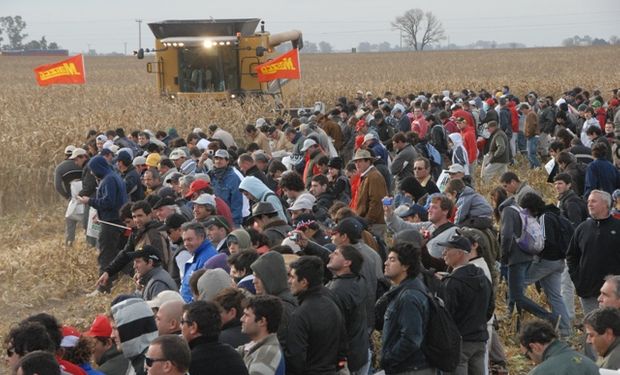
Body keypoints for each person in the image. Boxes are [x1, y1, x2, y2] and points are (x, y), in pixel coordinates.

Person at [438, 235, 494, 375]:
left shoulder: (452, 282)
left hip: (460, 344)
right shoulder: (481, 276)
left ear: (459, 253)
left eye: (447, 249)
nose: (443, 253)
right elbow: (490, 309)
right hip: (480, 340)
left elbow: (446, 317)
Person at [377, 242, 435, 375]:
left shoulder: (409, 297)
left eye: (392, 260)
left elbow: (411, 339)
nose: (386, 263)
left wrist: (388, 358)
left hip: (411, 368)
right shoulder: (405, 289)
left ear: (405, 266)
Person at [285, 256, 345, 375]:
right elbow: (342, 346)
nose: (289, 281)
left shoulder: (300, 314)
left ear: (304, 282)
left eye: (292, 277)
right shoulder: (332, 305)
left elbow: (295, 358)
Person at [78, 155, 128, 293]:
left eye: (93, 170)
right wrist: (99, 214)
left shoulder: (108, 180)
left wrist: (90, 201)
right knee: (116, 253)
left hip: (110, 223)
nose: (92, 173)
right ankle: (114, 283)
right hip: (114, 220)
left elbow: (108, 202)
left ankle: (103, 288)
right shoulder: (115, 176)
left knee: (106, 256)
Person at [567, 190, 620, 314]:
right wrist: (577, 280)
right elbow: (571, 256)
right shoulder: (582, 228)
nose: (589, 204)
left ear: (606, 204)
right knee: (595, 327)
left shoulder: (618, 227)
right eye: (589, 201)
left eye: (594, 201)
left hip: (614, 294)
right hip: (588, 291)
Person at [326, 245, 369, 375]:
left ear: (347, 263)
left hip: (345, 361)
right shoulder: (359, 280)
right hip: (360, 354)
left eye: (336, 253)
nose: (330, 255)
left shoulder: (337, 291)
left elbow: (335, 331)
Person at [181, 300, 249, 375]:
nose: (180, 326)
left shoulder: (189, 363)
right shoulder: (233, 354)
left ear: (193, 327)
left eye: (182, 322)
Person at [251, 251, 298, 350]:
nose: (253, 281)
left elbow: (279, 347)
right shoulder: (281, 301)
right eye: (253, 276)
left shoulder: (283, 308)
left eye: (258, 276)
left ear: (270, 278)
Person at [518, 319, 599, 375]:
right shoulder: (590, 364)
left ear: (535, 347)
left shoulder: (540, 372)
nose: (531, 361)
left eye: (527, 356)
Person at [237, 295, 286, 375]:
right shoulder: (254, 347)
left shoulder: (266, 355)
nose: (241, 319)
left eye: (246, 315)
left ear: (262, 321)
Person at [110, 297, 159, 375]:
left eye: (115, 329)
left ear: (132, 328)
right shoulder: (138, 361)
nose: (112, 335)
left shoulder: (151, 366)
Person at [352, 149, 388, 237]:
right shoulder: (368, 176)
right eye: (356, 161)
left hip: (376, 225)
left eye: (360, 161)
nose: (357, 164)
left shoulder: (374, 176)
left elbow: (376, 202)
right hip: (372, 223)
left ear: (368, 161)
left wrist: (367, 221)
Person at [180, 222, 218, 302]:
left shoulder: (209, 258)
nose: (186, 244)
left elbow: (204, 291)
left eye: (189, 239)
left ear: (201, 237)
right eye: (184, 240)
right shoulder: (198, 254)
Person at [209, 149, 244, 227]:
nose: (218, 161)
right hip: (214, 219)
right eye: (216, 158)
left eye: (221, 159)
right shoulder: (211, 175)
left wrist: (234, 223)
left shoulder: (233, 178)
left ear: (227, 161)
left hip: (228, 220)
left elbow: (237, 202)